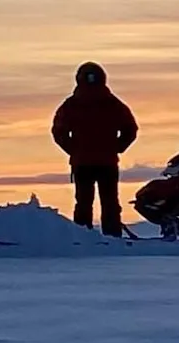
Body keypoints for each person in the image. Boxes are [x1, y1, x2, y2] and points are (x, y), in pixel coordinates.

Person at [50, 62, 138, 237]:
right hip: (106, 162)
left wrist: (72, 150)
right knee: (110, 202)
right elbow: (130, 129)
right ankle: (112, 236)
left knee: (84, 202)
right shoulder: (112, 104)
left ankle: (84, 237)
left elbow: (58, 131)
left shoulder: (72, 104)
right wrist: (118, 147)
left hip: (84, 162)